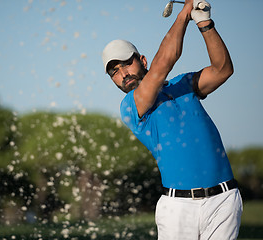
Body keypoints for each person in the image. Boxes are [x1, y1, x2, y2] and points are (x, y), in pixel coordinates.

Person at [101, 0, 242, 239]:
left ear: (142, 61)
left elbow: (222, 69)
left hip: (224, 200)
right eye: (114, 71)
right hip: (178, 208)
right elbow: (164, 63)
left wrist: (204, 22)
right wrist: (185, 12)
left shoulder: (183, 84)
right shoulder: (131, 106)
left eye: (127, 63)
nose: (123, 73)